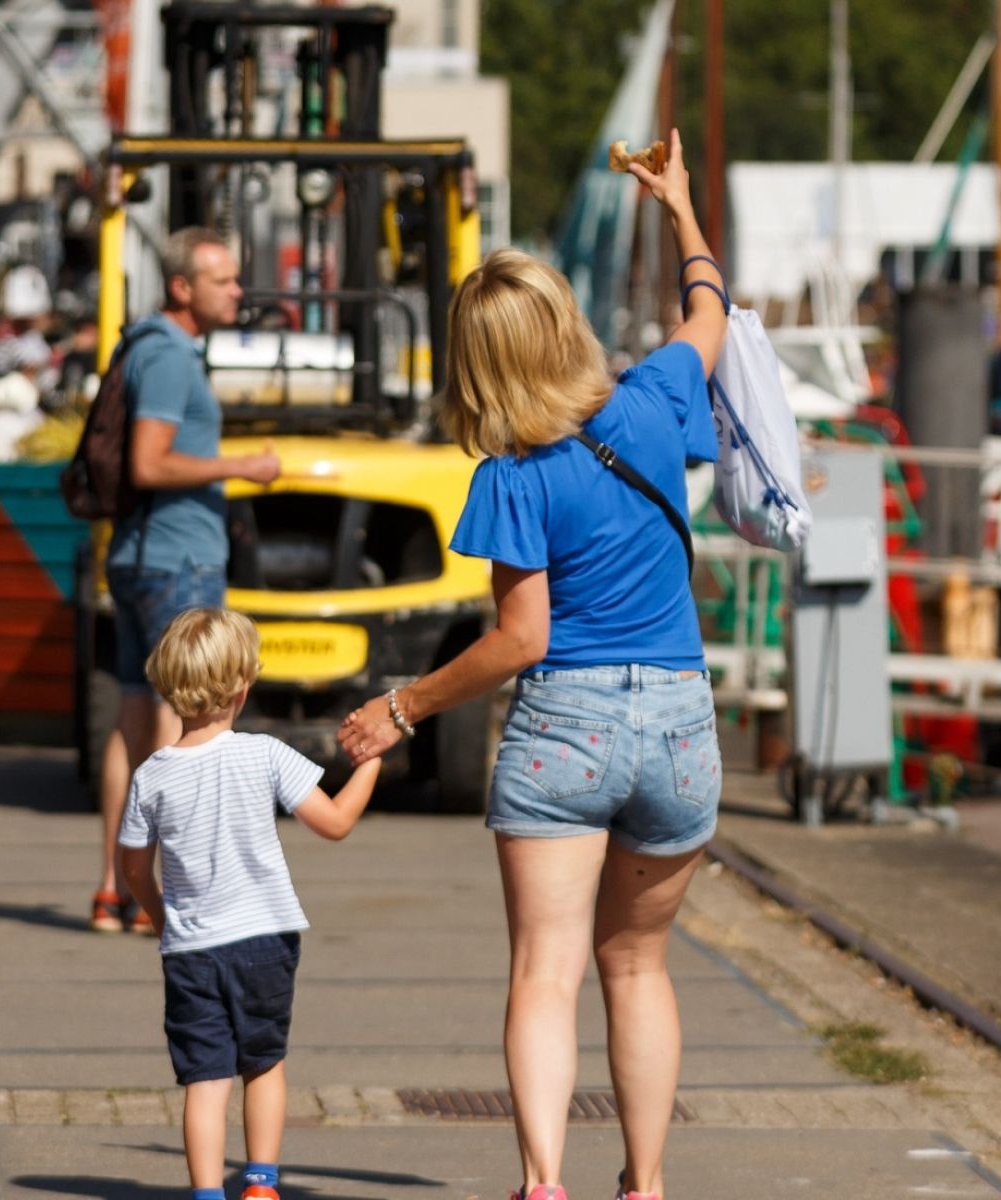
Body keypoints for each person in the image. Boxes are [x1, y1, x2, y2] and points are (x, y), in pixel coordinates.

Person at [338, 128, 728, 1200]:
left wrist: (402, 708)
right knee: (638, 967)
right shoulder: (652, 400)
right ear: (564, 326)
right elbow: (709, 311)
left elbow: (521, 641)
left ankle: (544, 1183)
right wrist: (680, 205)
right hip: (681, 727)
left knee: (545, 974)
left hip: (569, 731)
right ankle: (645, 1186)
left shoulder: (513, 476)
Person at [119, 607, 382, 1200]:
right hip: (265, 941)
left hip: (191, 950)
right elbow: (335, 823)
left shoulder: (150, 776)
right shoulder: (264, 754)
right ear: (244, 686)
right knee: (263, 1063)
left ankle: (208, 1193)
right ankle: (260, 1184)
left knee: (205, 1080)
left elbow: (133, 869)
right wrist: (370, 767)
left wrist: (165, 919)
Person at [91, 226, 282, 934]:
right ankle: (165, 900)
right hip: (179, 560)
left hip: (140, 556)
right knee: (190, 725)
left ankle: (114, 890)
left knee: (134, 720)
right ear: (183, 287)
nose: (238, 290)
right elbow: (150, 463)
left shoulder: (141, 344)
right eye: (223, 279)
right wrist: (243, 468)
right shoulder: (170, 357)